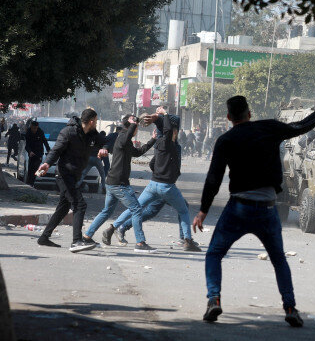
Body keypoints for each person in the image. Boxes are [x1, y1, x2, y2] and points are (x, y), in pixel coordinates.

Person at [192, 84, 315, 327]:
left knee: (214, 253)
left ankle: (214, 300)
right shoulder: (269, 128)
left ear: (228, 117)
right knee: (278, 259)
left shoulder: (225, 140)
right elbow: (303, 125)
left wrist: (203, 210)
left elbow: (213, 178)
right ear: (249, 113)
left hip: (238, 208)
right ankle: (290, 308)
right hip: (267, 208)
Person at [103, 108, 200, 252]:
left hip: (154, 184)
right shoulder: (169, 142)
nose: (177, 131)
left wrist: (157, 117)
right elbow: (172, 123)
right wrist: (162, 115)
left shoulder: (160, 143)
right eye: (176, 130)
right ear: (173, 131)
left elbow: (152, 163)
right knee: (183, 210)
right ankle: (187, 240)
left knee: (138, 208)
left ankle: (114, 226)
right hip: (166, 186)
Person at [83, 115, 158, 252]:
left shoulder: (126, 141)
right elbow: (129, 132)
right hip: (118, 183)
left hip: (113, 182)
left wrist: (153, 139)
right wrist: (134, 123)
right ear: (130, 126)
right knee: (136, 209)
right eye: (135, 126)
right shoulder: (123, 136)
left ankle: (87, 236)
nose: (136, 128)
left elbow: (138, 152)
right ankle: (140, 243)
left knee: (106, 211)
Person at [35, 109, 107, 252]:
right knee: (80, 204)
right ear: (91, 121)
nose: (97, 124)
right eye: (96, 121)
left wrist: (103, 148)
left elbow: (103, 142)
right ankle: (76, 241)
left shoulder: (92, 134)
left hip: (75, 175)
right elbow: (56, 150)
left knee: (63, 208)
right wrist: (47, 163)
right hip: (64, 175)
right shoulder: (68, 132)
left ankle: (44, 237)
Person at [24, 121, 51, 186]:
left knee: (36, 168)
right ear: (31, 127)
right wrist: (30, 151)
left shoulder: (40, 132)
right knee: (30, 168)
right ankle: (29, 183)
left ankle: (33, 181)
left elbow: (45, 141)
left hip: (39, 153)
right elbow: (26, 145)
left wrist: (48, 150)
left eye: (36, 128)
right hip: (31, 153)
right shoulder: (28, 133)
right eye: (33, 128)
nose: (34, 130)